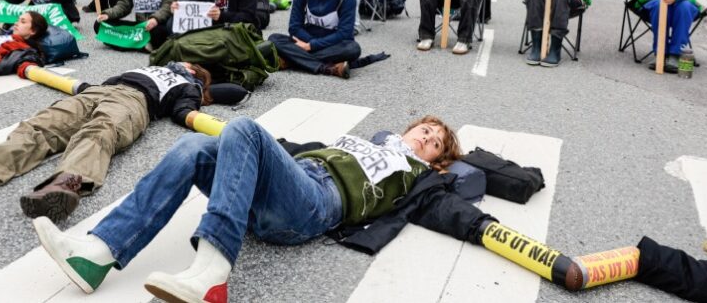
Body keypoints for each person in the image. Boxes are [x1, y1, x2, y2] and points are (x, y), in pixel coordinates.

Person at [31, 114, 460, 298]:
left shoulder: (419, 176)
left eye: (434, 142)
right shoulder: (368, 142)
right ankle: (98, 254)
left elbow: (462, 196)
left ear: (437, 158)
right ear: (407, 129)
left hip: (315, 206)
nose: (425, 138)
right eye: (423, 129)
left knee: (245, 128)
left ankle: (213, 272)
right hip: (291, 185)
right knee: (194, 145)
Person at [0, 62, 213, 223]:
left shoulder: (188, 86)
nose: (180, 63)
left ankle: (64, 186)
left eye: (188, 66)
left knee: (98, 133)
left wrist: (199, 99)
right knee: (39, 127)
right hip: (95, 90)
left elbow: (186, 110)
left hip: (135, 102)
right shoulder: (153, 63)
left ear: (195, 75)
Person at [269, 0, 360, 78]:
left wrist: (311, 46)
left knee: (353, 49)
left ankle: (291, 60)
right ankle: (329, 68)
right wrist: (310, 43)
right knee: (274, 39)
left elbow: (345, 33)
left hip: (334, 43)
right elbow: (294, 27)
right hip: (308, 37)